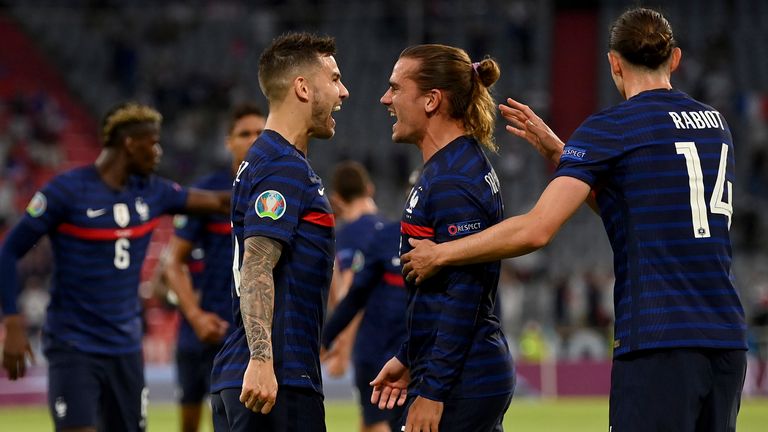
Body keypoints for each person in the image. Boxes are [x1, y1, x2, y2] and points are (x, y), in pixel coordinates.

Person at [402, 8, 747, 432]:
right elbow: (643, 212)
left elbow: (537, 229)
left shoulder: (611, 127)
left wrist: (442, 253)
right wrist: (564, 156)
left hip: (659, 341)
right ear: (674, 59)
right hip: (727, 340)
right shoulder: (717, 127)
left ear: (613, 63)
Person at [0, 102, 230, 432]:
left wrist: (275, 196)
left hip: (126, 349)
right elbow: (9, 250)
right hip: (74, 346)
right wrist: (12, 320)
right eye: (152, 142)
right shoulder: (67, 192)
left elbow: (219, 202)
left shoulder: (153, 192)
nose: (159, 151)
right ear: (129, 145)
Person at [209, 32, 349, 431]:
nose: (344, 91)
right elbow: (256, 263)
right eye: (334, 78)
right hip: (275, 384)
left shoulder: (262, 161)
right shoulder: (282, 166)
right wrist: (262, 360)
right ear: (302, 88)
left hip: (256, 377)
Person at [371, 44, 515, 432]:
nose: (386, 99)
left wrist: (432, 391)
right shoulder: (453, 166)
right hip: (464, 373)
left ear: (432, 100)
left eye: (396, 88)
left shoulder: (453, 180)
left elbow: (463, 292)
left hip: (461, 381)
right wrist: (408, 355)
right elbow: (436, 293)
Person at [161, 104, 265, 432]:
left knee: (240, 422)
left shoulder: (275, 193)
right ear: (228, 142)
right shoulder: (207, 193)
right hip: (200, 331)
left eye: (261, 134)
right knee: (189, 422)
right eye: (244, 133)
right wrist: (195, 317)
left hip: (247, 334)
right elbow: (172, 263)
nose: (253, 140)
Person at [321, 162, 407, 432]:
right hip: (403, 340)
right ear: (370, 189)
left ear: (336, 200)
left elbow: (351, 291)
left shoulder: (349, 234)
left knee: (375, 421)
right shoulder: (391, 229)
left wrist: (342, 350)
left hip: (372, 342)